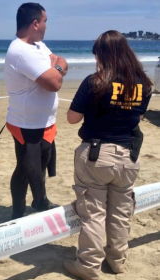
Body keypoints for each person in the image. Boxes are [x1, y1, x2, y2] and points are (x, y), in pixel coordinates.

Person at [64, 30, 153, 280]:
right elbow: (138, 117)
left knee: (92, 213)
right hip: (128, 155)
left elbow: (72, 119)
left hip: (96, 155)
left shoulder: (95, 81)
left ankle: (89, 266)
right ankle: (117, 261)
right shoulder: (144, 84)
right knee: (120, 212)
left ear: (103, 55)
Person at [4, 3, 68, 219]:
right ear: (35, 23)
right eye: (45, 21)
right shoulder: (21, 51)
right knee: (24, 169)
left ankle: (40, 200)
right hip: (27, 123)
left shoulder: (38, 46)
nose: (46, 26)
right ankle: (18, 212)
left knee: (39, 164)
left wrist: (56, 68)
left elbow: (62, 62)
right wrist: (56, 70)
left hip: (44, 121)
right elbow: (54, 83)